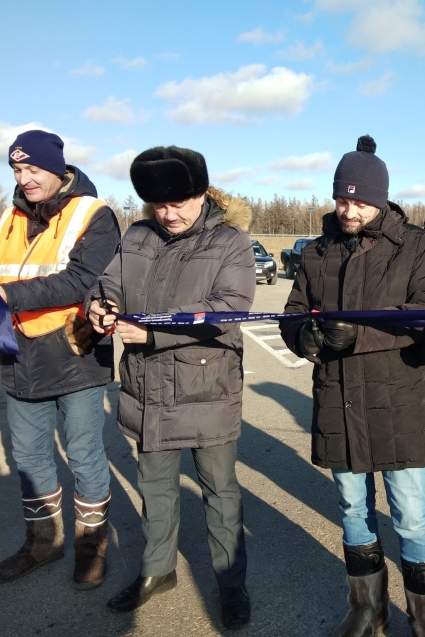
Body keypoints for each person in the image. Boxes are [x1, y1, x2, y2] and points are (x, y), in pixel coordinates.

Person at [280, 136, 425, 637]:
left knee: (411, 513)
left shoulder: (416, 244)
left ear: (380, 200)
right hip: (336, 396)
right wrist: (303, 336)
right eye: (342, 199)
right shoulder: (316, 251)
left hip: (394, 398)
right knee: (353, 508)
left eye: (359, 201)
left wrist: (357, 334)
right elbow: (291, 311)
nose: (349, 210)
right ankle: (368, 608)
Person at [87, 146, 254, 628]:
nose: (169, 214)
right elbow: (107, 283)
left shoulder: (230, 242)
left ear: (203, 193)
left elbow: (230, 307)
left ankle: (230, 585)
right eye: (159, 205)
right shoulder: (137, 235)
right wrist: (99, 306)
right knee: (155, 488)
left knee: (219, 492)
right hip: (147, 390)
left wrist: (154, 333)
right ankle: (157, 571)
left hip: (207, 388)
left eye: (180, 202)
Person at [0, 130, 120, 589]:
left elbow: (81, 280)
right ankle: (42, 543)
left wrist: (3, 295)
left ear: (57, 169)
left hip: (74, 354)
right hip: (18, 356)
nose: (23, 179)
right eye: (16, 170)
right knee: (29, 456)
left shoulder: (95, 214)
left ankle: (91, 550)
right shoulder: (9, 216)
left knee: (85, 455)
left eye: (32, 170)